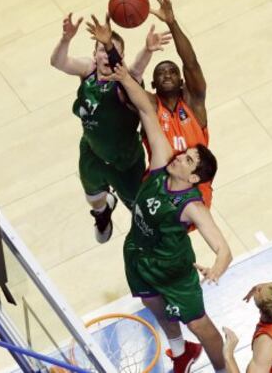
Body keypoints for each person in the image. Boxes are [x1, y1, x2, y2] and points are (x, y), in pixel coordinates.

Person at [104, 63, 232, 373]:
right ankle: (181, 351)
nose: (180, 155)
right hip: (138, 253)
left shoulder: (192, 207)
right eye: (184, 152)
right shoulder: (161, 161)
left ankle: (222, 368)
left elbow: (224, 249)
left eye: (187, 159)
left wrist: (215, 270)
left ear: (194, 176)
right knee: (151, 302)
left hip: (173, 272)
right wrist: (123, 77)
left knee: (203, 328)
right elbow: (148, 113)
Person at [50, 13, 171, 243]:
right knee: (93, 198)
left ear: (121, 56)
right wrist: (66, 39)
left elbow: (135, 71)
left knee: (142, 214)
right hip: (92, 152)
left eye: (111, 50)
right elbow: (58, 62)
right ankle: (103, 212)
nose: (106, 55)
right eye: (102, 50)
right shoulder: (88, 71)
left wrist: (147, 50)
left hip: (125, 163)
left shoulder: (126, 82)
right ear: (95, 54)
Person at [141, 0, 213, 209]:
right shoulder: (151, 106)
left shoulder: (195, 103)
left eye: (172, 71)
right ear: (153, 85)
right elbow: (128, 83)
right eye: (161, 73)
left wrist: (172, 22)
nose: (167, 74)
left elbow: (191, 63)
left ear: (182, 81)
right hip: (159, 189)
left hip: (194, 187)